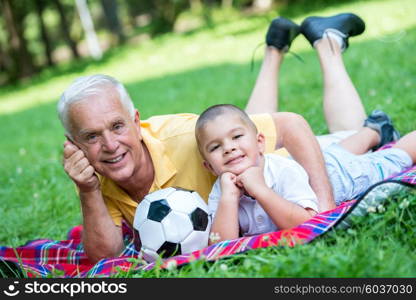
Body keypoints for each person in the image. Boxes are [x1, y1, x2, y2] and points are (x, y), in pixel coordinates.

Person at [59, 12, 366, 262]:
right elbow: (106, 257)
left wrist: (324, 211)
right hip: (243, 165)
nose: (110, 145)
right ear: (74, 144)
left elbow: (292, 125)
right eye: (91, 136)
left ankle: (328, 44)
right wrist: (87, 191)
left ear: (137, 122)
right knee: (235, 132)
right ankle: (274, 48)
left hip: (279, 174)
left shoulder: (183, 138)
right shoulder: (93, 172)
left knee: (348, 138)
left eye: (117, 127)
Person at [195, 104, 414, 243]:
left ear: (260, 143)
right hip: (321, 163)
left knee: (393, 158)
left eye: (237, 137)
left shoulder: (283, 172)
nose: (228, 148)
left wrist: (260, 190)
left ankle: (381, 135)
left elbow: (306, 224)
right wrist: (230, 197)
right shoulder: (221, 191)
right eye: (215, 147)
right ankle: (375, 129)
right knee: (336, 153)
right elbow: (220, 244)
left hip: (339, 178)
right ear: (209, 167)